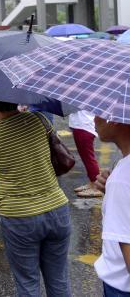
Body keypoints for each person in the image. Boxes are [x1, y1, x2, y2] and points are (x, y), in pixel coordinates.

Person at [0, 101, 71, 296]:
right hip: (57, 208)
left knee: (27, 284)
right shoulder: (39, 119)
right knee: (59, 281)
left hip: (19, 215)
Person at [92, 116, 130, 296]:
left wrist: (117, 189)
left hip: (122, 287)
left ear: (114, 119)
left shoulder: (122, 179)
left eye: (98, 112)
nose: (94, 119)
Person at [69, 110, 103, 198]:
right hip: (82, 126)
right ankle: (92, 182)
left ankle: (96, 187)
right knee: (86, 157)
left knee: (88, 158)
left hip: (84, 126)